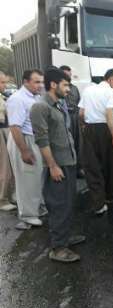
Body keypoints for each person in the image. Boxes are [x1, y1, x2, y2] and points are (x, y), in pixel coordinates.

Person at [30, 68, 86, 263]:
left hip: (68, 161)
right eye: (65, 85)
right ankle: (58, 248)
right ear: (53, 85)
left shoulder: (59, 104)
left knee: (68, 202)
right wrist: (52, 166)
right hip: (57, 165)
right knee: (58, 204)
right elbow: (42, 140)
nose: (68, 89)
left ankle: (65, 237)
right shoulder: (40, 107)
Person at [78, 69, 113, 215]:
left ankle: (98, 204)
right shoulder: (111, 93)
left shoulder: (88, 90)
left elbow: (81, 114)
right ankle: (111, 197)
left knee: (93, 167)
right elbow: (109, 117)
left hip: (90, 129)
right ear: (111, 79)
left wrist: (86, 126)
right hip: (105, 129)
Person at [6, 69, 45, 229]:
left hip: (34, 139)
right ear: (25, 82)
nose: (40, 85)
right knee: (26, 178)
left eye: (41, 82)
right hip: (23, 140)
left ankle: (37, 207)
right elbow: (15, 127)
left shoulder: (35, 96)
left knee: (36, 176)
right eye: (36, 82)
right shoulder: (17, 99)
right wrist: (24, 151)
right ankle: (28, 215)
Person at [59, 65, 82, 176]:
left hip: (75, 118)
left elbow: (79, 103)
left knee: (78, 143)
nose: (68, 77)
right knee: (66, 144)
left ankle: (77, 169)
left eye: (69, 75)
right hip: (64, 118)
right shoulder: (57, 89)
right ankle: (66, 171)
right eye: (65, 75)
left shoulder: (74, 88)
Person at [0, 71, 16, 212]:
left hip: (6, 130)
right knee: (4, 167)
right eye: (2, 82)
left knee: (9, 165)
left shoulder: (3, 96)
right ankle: (2, 199)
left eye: (5, 82)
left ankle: (9, 195)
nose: (4, 85)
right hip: (1, 130)